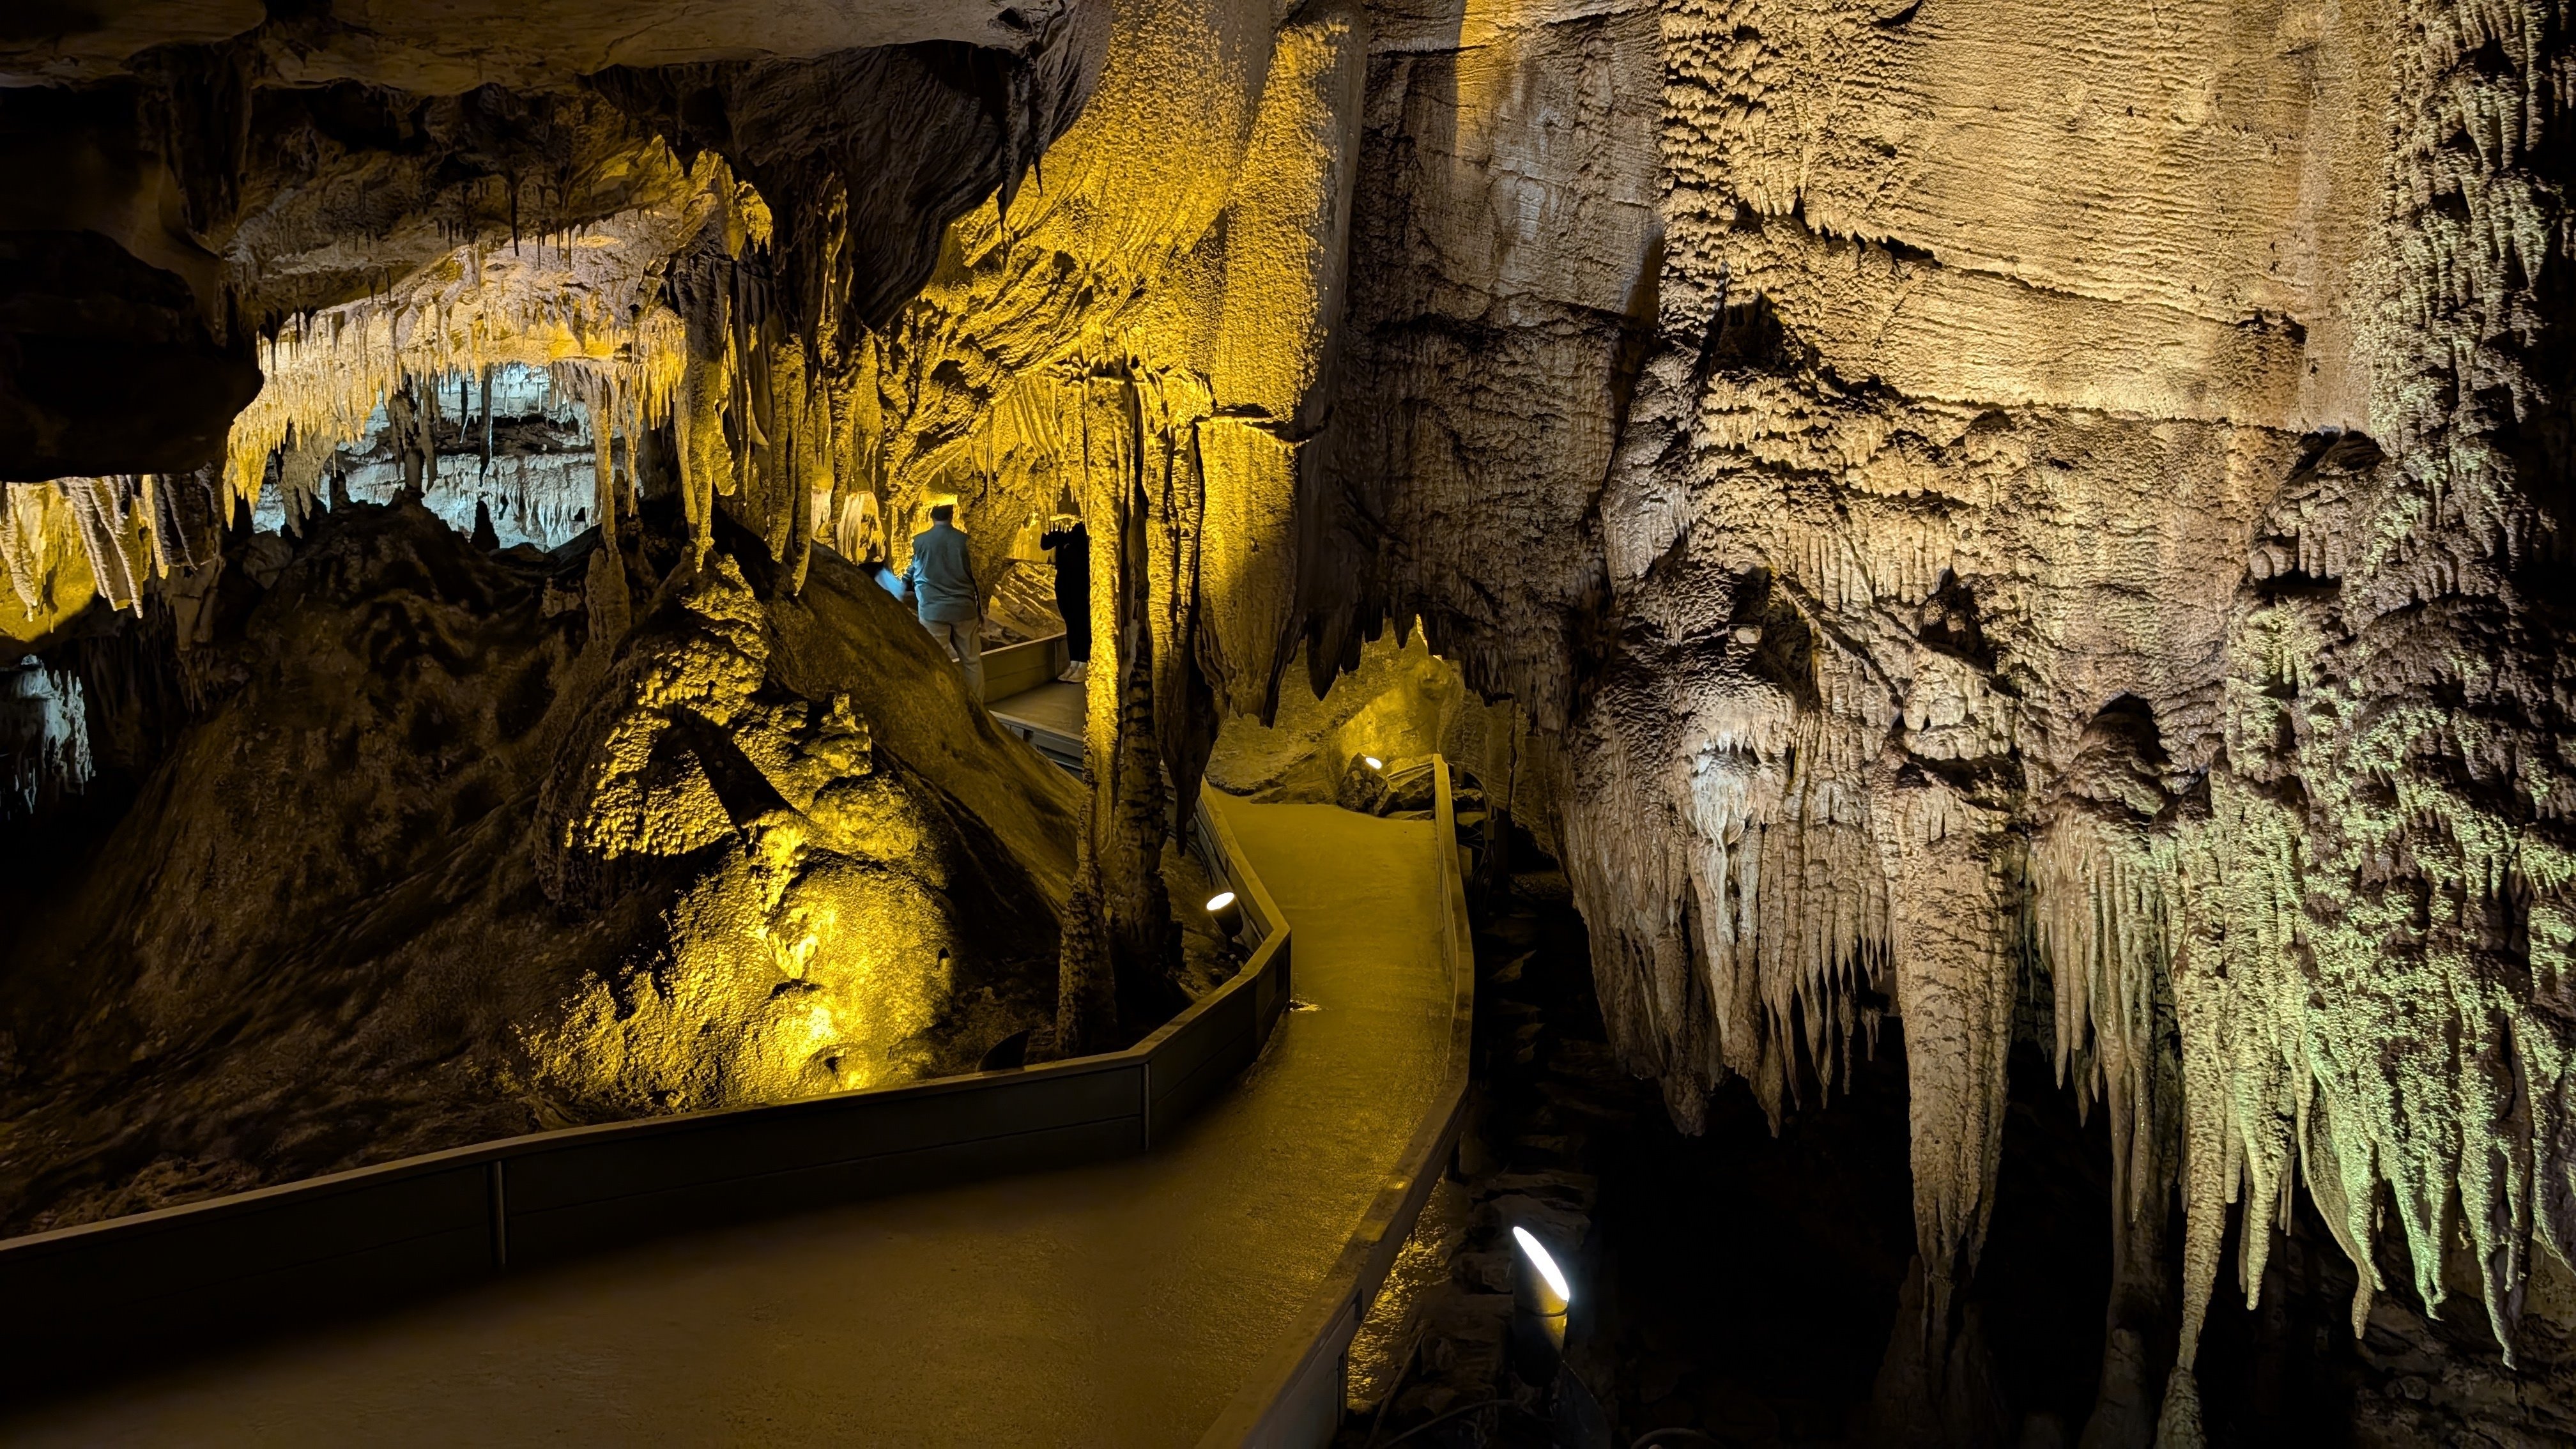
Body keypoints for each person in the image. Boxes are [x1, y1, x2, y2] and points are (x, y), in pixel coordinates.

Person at [906, 503, 985, 702]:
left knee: (935, 660)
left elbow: (907, 572)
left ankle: (939, 702)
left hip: (933, 611)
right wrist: (982, 608)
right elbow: (979, 577)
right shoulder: (966, 542)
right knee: (972, 660)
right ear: (952, 516)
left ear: (932, 517)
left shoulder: (919, 542)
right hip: (964, 609)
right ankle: (977, 704)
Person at [1038, 505, 1091, 684]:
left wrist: (1068, 534)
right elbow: (1045, 544)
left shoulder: (1083, 529)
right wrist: (1049, 524)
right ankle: (1074, 662)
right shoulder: (1062, 528)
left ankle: (1084, 663)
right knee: (1070, 622)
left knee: (1081, 622)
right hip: (1064, 578)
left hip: (1081, 579)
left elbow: (1084, 548)